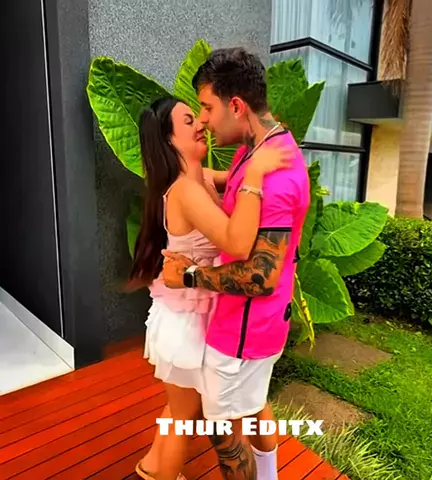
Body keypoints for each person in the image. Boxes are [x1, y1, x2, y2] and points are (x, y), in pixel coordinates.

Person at [126, 95, 295, 480]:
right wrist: (256, 176)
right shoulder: (185, 191)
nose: (201, 123)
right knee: (184, 419)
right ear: (169, 140)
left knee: (190, 411)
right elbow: (237, 243)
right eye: (188, 121)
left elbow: (238, 170)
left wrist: (263, 133)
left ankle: (151, 467)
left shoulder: (199, 179)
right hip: (188, 318)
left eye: (199, 116)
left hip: (207, 312)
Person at [161, 47, 310, 480]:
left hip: (242, 331)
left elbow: (260, 276)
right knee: (255, 403)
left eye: (208, 108)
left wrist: (188, 274)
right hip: (260, 324)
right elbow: (234, 183)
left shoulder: (274, 177)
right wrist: (191, 174)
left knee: (223, 433)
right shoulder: (258, 148)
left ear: (237, 106)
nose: (203, 120)